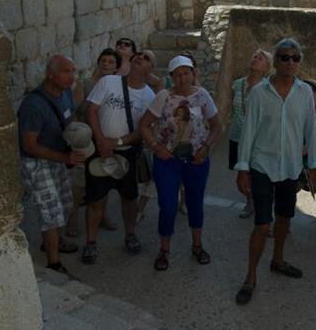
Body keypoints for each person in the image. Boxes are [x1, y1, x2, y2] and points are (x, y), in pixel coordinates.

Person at [233, 38, 316, 305]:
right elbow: (248, 132)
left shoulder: (305, 92)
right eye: (285, 57)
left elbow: (310, 129)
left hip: (291, 166)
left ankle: (278, 260)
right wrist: (243, 168)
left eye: (296, 58)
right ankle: (250, 277)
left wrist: (313, 165)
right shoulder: (260, 92)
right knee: (261, 224)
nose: (291, 62)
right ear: (276, 60)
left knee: (284, 218)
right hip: (261, 165)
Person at [139, 55, 220, 271]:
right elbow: (145, 125)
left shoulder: (203, 95)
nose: (183, 78)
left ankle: (197, 245)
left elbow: (215, 126)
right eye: (178, 74)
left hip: (196, 160)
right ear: (171, 77)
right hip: (168, 161)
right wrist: (156, 147)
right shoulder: (163, 97)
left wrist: (206, 148)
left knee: (195, 205)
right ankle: (164, 250)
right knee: (167, 207)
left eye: (187, 72)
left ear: (193, 74)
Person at [80, 51, 157, 264]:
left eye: (147, 58)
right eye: (139, 54)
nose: (140, 56)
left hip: (128, 153)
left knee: (129, 199)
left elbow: (144, 129)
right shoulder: (109, 82)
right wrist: (101, 140)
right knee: (96, 199)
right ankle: (90, 241)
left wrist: (115, 143)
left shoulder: (150, 96)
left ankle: (130, 234)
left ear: (150, 70)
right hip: (99, 150)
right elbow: (91, 111)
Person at [17, 55, 85, 274]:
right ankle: (53, 262)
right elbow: (29, 145)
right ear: (50, 74)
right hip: (39, 163)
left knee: (65, 204)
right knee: (51, 213)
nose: (72, 77)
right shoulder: (33, 105)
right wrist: (64, 158)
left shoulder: (64, 94)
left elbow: (70, 115)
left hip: (59, 158)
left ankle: (52, 242)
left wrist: (77, 138)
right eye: (66, 71)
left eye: (73, 71)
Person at [68, 48, 122, 236]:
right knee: (79, 183)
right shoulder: (86, 84)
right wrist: (78, 134)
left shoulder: (118, 86)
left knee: (103, 180)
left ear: (117, 68)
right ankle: (73, 218)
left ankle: (101, 216)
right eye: (103, 60)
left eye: (111, 62)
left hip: (105, 140)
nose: (106, 64)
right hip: (86, 140)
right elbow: (73, 109)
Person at [228, 49, 273, 219]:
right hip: (237, 136)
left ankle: (262, 205)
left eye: (261, 58)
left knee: (257, 175)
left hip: (258, 139)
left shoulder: (267, 89)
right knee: (242, 176)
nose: (256, 59)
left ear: (266, 67)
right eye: (254, 56)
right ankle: (250, 201)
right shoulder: (237, 84)